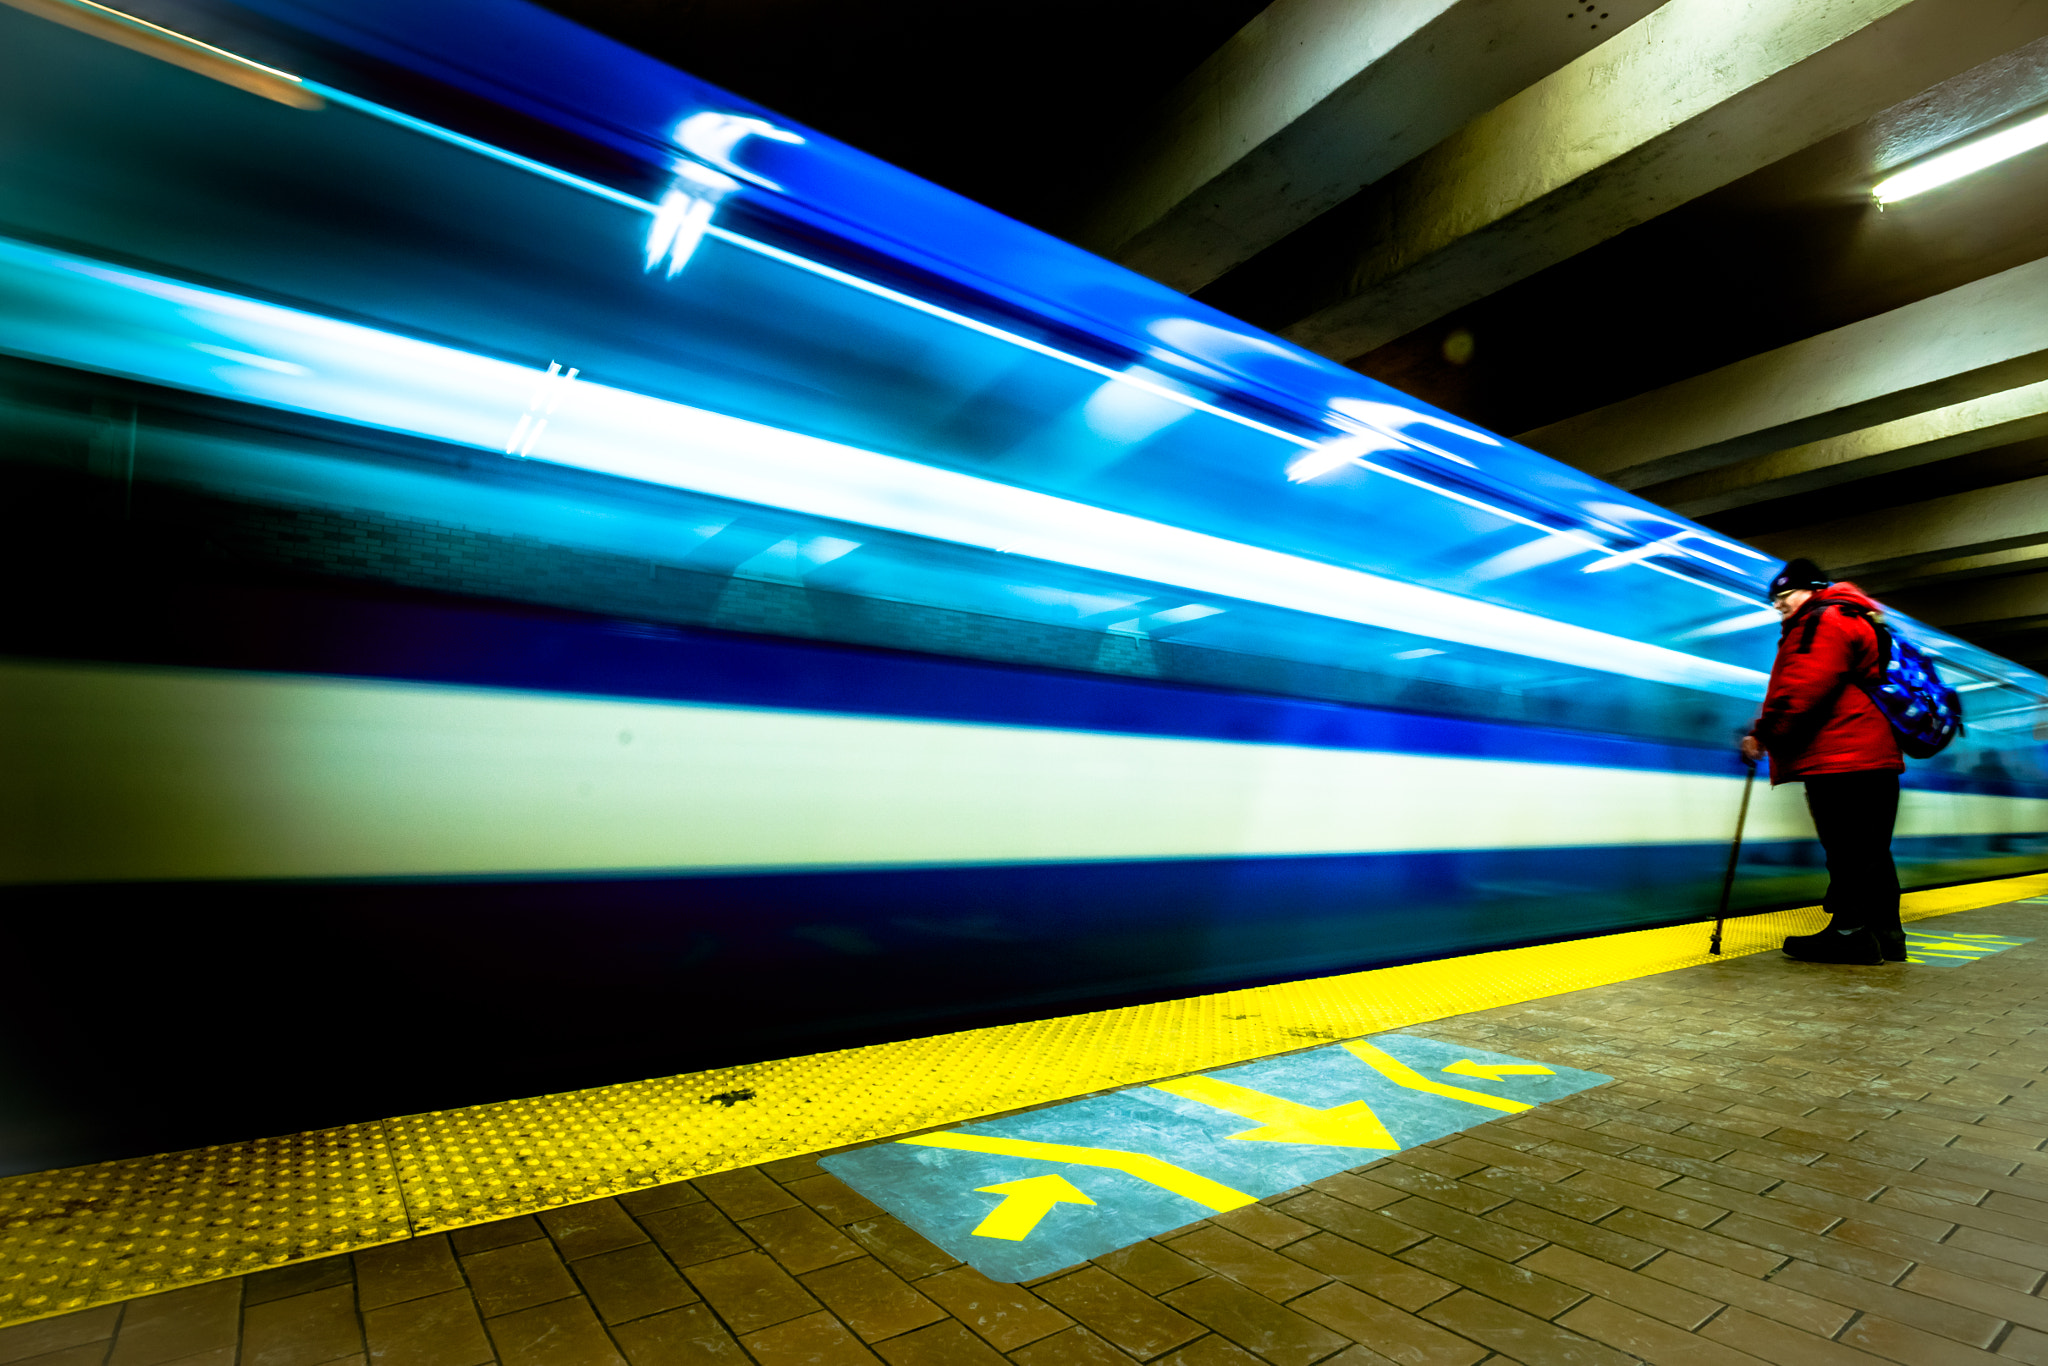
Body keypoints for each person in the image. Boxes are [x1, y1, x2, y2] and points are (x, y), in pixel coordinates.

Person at [1740, 558, 1905, 964]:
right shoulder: (1856, 618)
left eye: (1783, 596)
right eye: (1774, 599)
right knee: (1871, 851)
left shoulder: (1821, 620)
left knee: (1847, 848)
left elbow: (1804, 687)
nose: (1778, 605)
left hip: (1841, 757)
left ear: (1811, 589)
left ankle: (1850, 934)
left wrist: (1762, 733)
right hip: (1871, 755)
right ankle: (1886, 935)